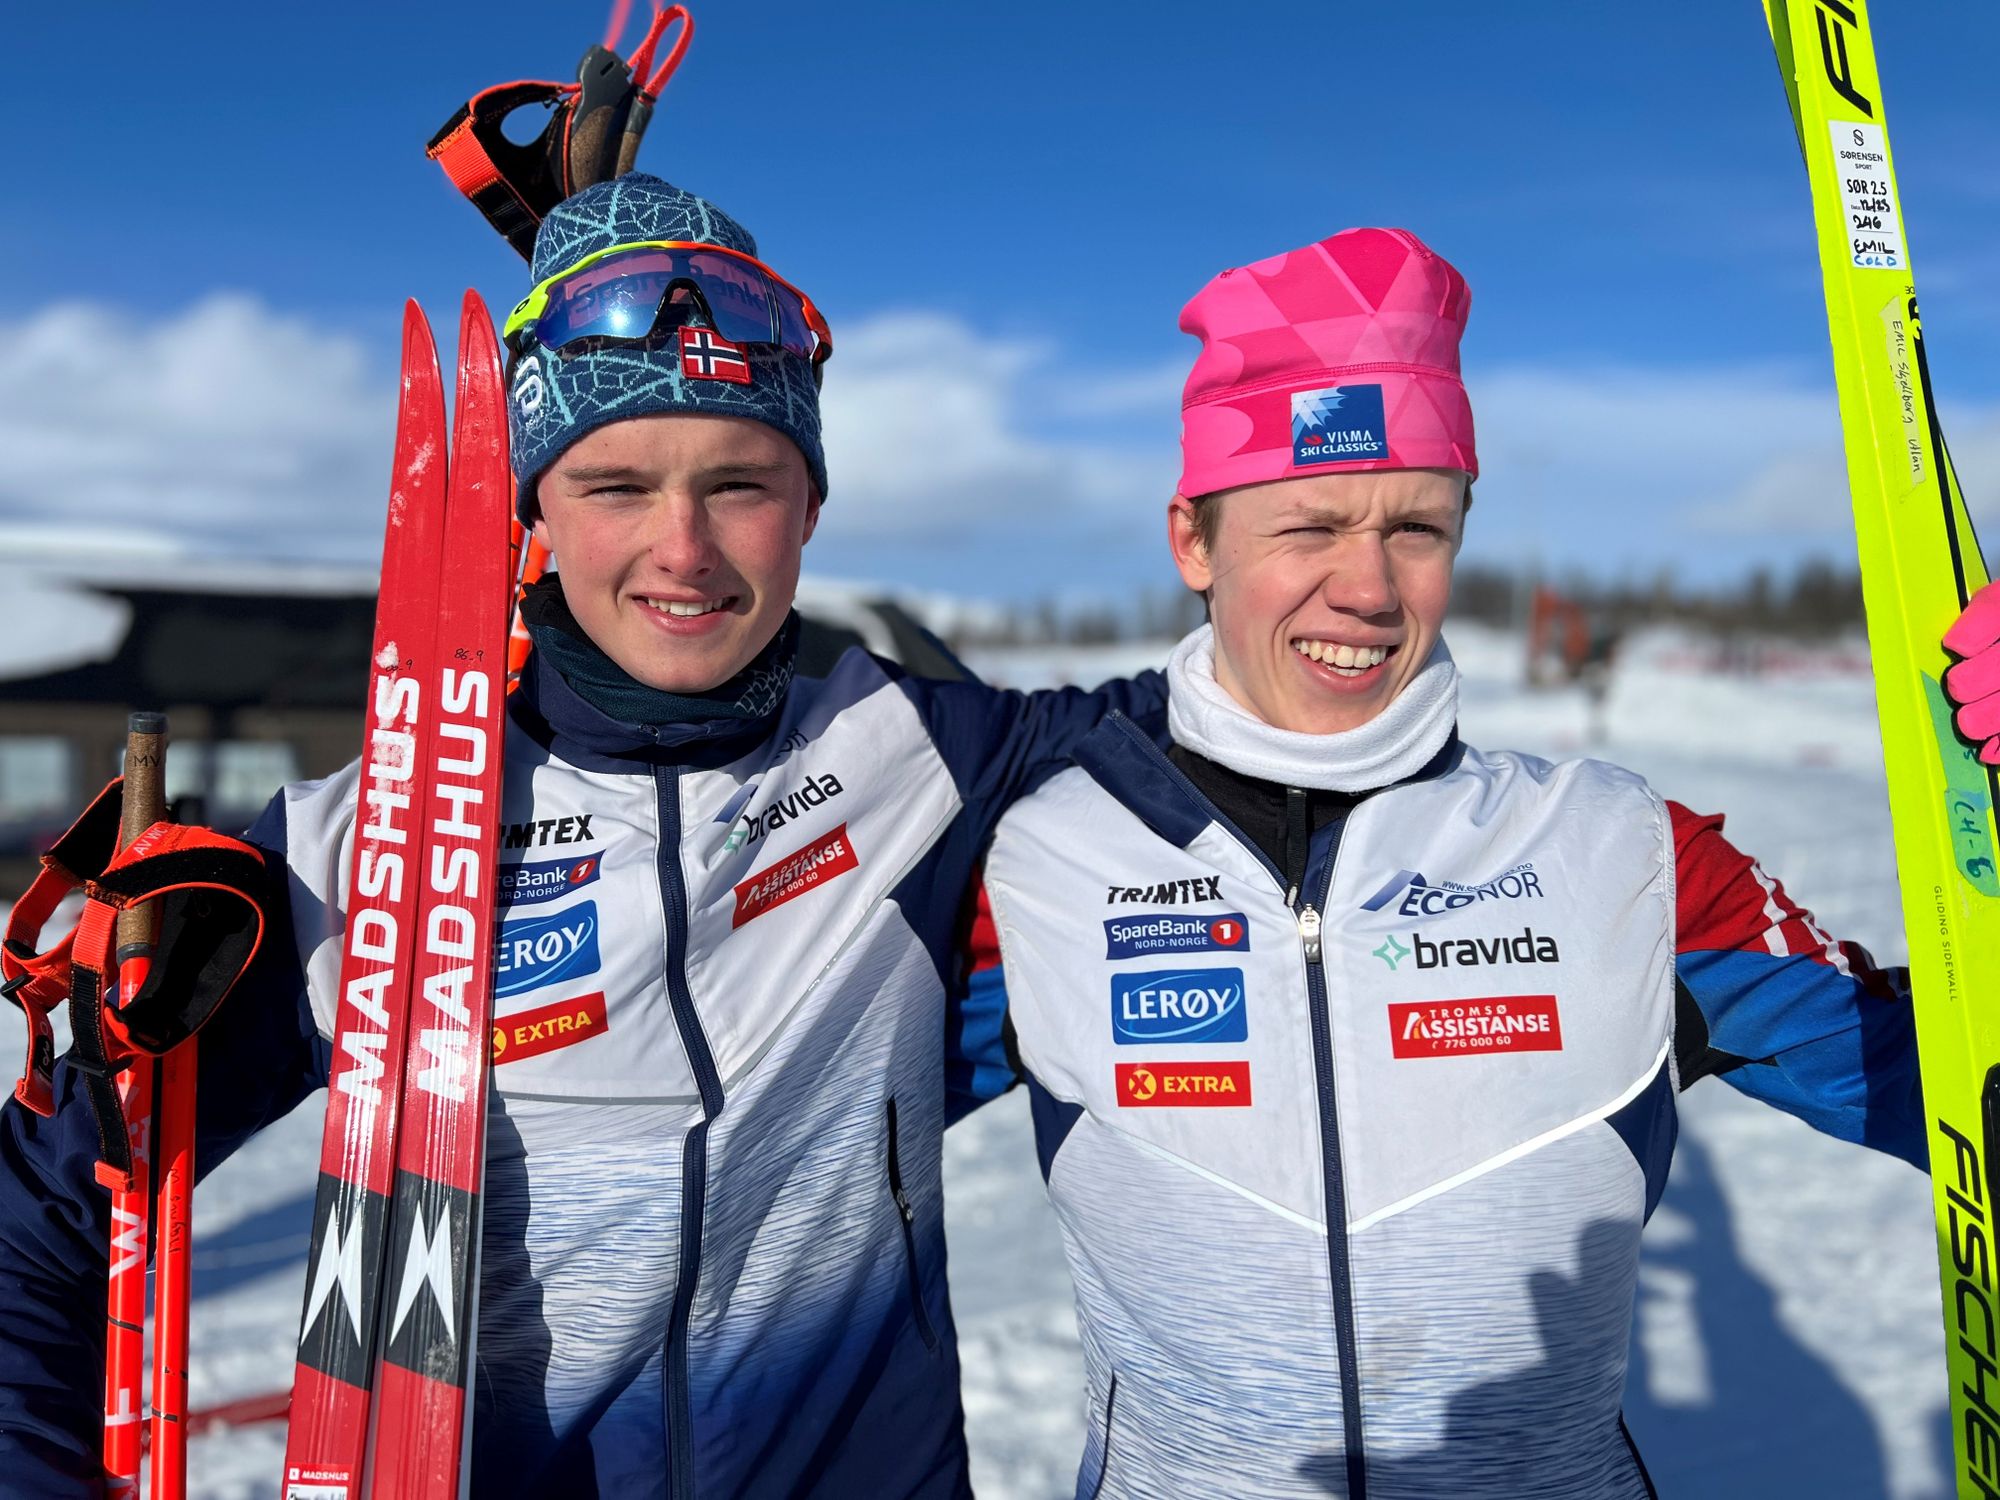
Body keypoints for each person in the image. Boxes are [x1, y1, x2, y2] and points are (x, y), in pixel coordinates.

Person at [0, 173, 1162, 1500]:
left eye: (742, 483)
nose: (685, 549)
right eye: (617, 484)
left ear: (811, 510)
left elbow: (1253, 739)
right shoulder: (364, 848)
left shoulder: (924, 758)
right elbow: (34, 1221)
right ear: (532, 518)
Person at [961, 226, 1959, 1498]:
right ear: (1193, 542)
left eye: (1417, 528)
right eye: (1309, 525)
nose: (1368, 589)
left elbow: (1945, 1075)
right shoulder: (1040, 862)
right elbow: (745, 1102)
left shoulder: (1626, 858)